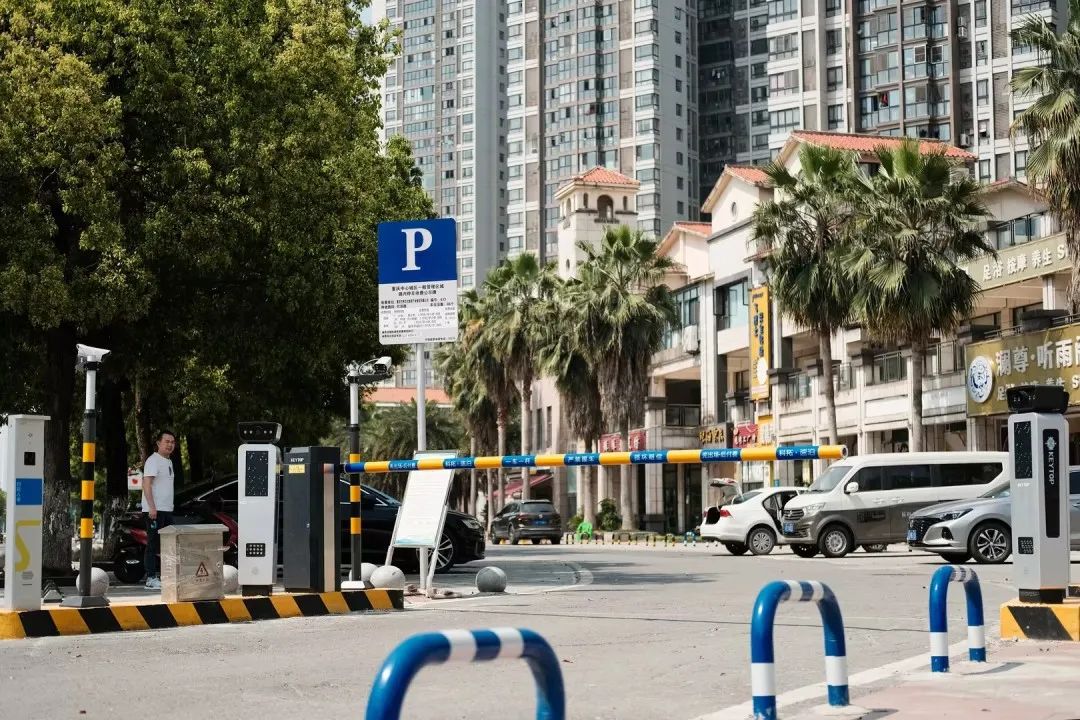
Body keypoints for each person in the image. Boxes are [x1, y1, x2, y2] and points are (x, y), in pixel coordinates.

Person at [142, 430, 176, 590]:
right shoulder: (153, 460)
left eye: (172, 442)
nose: (170, 445)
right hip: (155, 510)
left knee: (168, 545)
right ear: (158, 443)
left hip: (167, 510)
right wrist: (152, 507)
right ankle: (150, 578)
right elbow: (146, 484)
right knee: (153, 544)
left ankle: (166, 576)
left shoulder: (168, 462)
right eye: (167, 441)